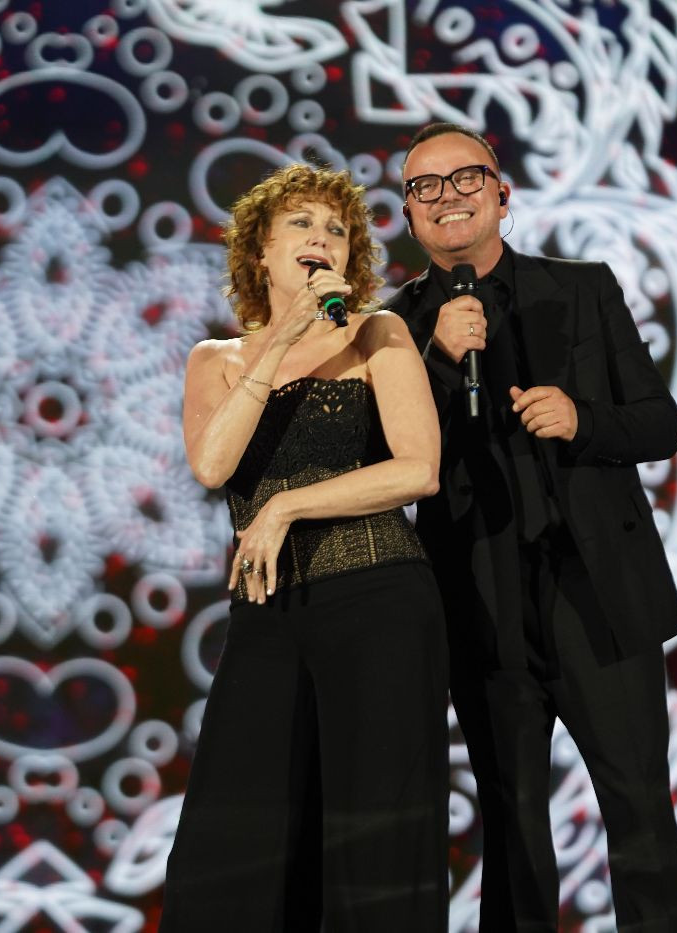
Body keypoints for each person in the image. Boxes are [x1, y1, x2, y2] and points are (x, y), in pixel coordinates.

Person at [384, 123, 677, 931]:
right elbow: (384, 455)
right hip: (478, 602)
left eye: (465, 178)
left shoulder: (583, 289)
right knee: (513, 826)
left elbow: (660, 422)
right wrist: (438, 361)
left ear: (501, 193)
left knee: (640, 811)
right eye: (425, 187)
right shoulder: (393, 328)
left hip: (596, 595)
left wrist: (582, 419)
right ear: (410, 216)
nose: (447, 197)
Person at [162, 163, 449, 932]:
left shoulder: (377, 333)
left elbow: (419, 469)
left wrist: (288, 504)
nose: (323, 237)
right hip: (268, 614)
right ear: (260, 250)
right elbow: (213, 465)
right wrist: (282, 337)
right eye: (302, 223)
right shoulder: (215, 358)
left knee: (375, 841)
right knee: (230, 848)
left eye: (337, 229)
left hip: (380, 600)